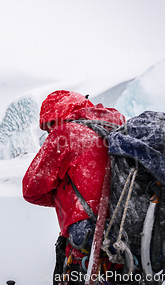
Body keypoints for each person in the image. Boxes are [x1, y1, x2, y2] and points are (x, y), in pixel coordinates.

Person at [22, 90, 125, 285]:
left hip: (89, 247)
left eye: (50, 124)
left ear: (59, 114)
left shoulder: (66, 134)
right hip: (129, 243)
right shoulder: (119, 128)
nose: (50, 132)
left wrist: (64, 195)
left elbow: (31, 189)